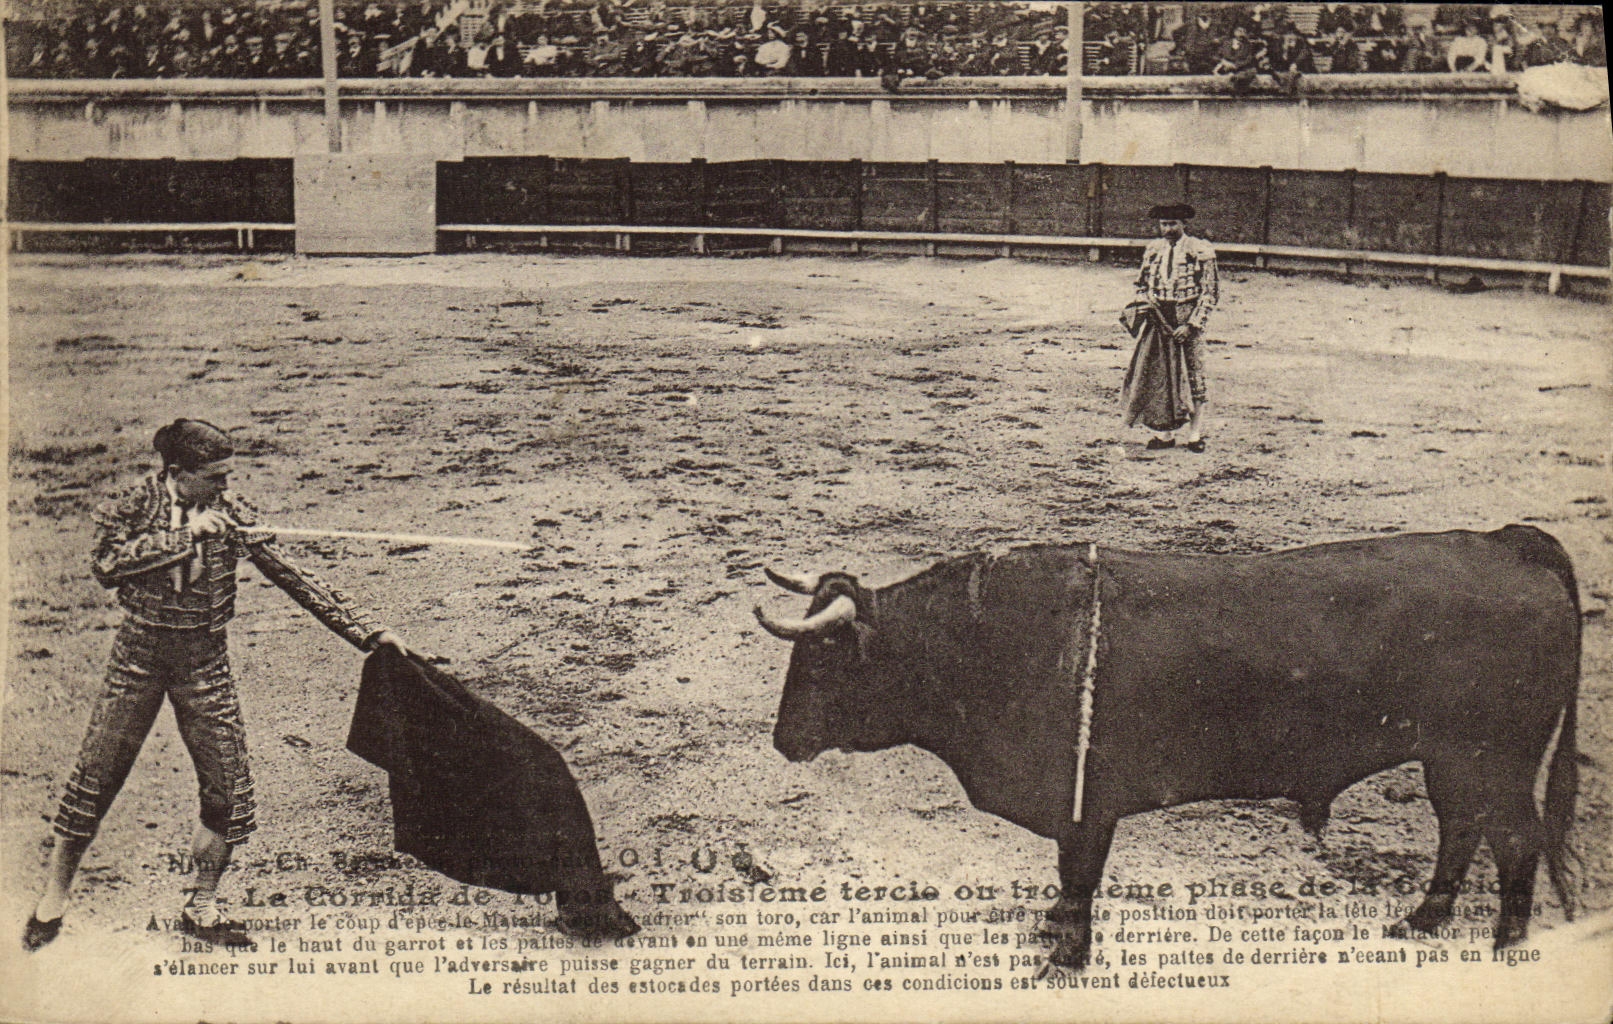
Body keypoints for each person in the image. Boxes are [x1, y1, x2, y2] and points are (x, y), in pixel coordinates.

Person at [24, 419, 408, 953]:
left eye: (229, 476)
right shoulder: (132, 504)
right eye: (215, 477)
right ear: (178, 473)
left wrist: (365, 630)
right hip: (138, 655)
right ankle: (53, 900)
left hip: (204, 659)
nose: (225, 488)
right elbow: (107, 564)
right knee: (96, 776)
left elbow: (291, 572)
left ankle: (201, 905)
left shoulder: (230, 512)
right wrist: (186, 537)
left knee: (228, 790)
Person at [1122, 204, 1219, 452]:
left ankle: (1195, 435)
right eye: (1164, 224)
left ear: (1184, 224)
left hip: (1186, 318)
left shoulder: (1201, 250)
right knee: (1161, 375)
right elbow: (1141, 284)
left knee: (1194, 375)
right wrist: (1146, 304)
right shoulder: (1153, 249)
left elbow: (1209, 293)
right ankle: (1165, 435)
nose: (1167, 229)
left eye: (1173, 224)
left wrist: (1191, 325)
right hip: (1159, 320)